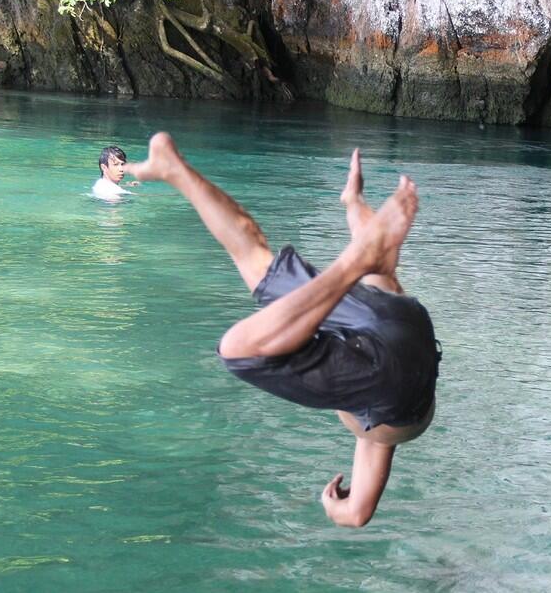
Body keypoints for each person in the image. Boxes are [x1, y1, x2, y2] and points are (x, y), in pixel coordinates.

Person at [127, 133, 440, 527]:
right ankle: (358, 255)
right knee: (240, 349)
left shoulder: (370, 415)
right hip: (395, 371)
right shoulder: (374, 410)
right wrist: (337, 510)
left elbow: (360, 511)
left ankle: (174, 169)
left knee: (259, 263)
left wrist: (356, 207)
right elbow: (356, 512)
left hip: (408, 323)